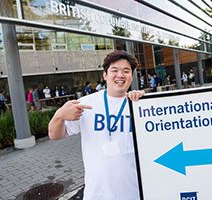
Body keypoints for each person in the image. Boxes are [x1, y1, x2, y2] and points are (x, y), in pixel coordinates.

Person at [48, 50, 145, 200]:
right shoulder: (86, 104)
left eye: (126, 71)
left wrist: (148, 101)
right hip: (97, 193)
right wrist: (59, 115)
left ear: (131, 77)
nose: (120, 75)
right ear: (105, 75)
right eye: (114, 70)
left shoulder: (139, 105)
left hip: (133, 192)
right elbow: (55, 135)